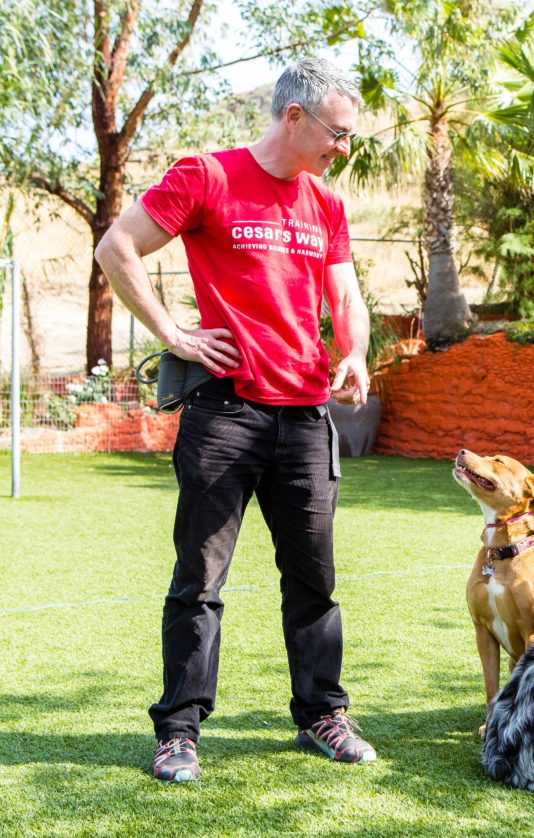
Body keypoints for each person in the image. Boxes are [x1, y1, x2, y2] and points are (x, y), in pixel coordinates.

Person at [95, 57, 377, 783]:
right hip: (225, 415)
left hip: (307, 418)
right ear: (295, 118)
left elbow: (347, 298)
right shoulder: (207, 177)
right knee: (200, 579)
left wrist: (355, 354)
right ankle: (179, 731)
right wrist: (174, 334)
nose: (342, 149)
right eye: (337, 134)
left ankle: (322, 713)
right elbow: (116, 246)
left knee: (314, 578)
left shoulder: (326, 205)